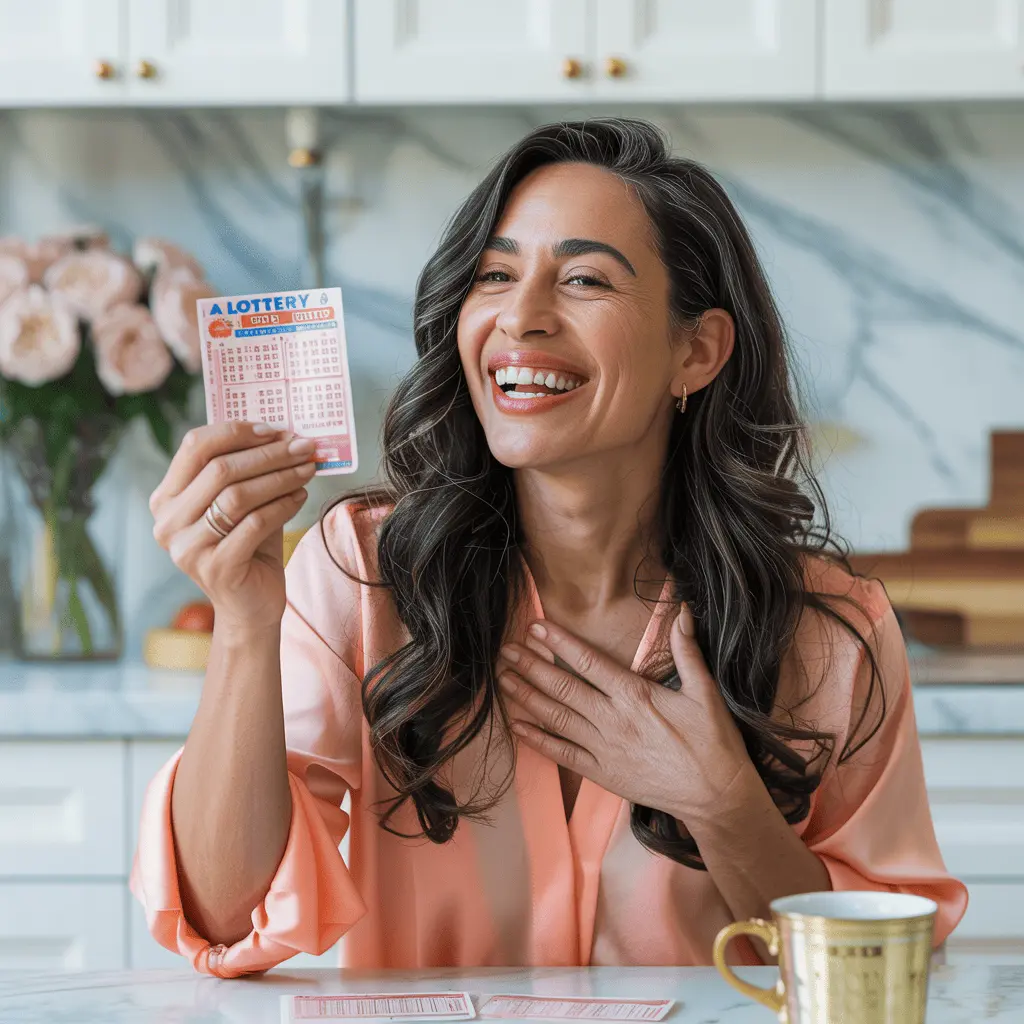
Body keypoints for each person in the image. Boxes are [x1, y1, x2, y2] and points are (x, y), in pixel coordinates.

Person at [132, 118, 967, 978]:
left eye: (583, 279)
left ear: (697, 350)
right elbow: (223, 918)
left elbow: (875, 972)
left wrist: (724, 805)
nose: (520, 317)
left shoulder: (829, 628)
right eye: (494, 275)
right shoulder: (362, 574)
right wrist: (244, 625)